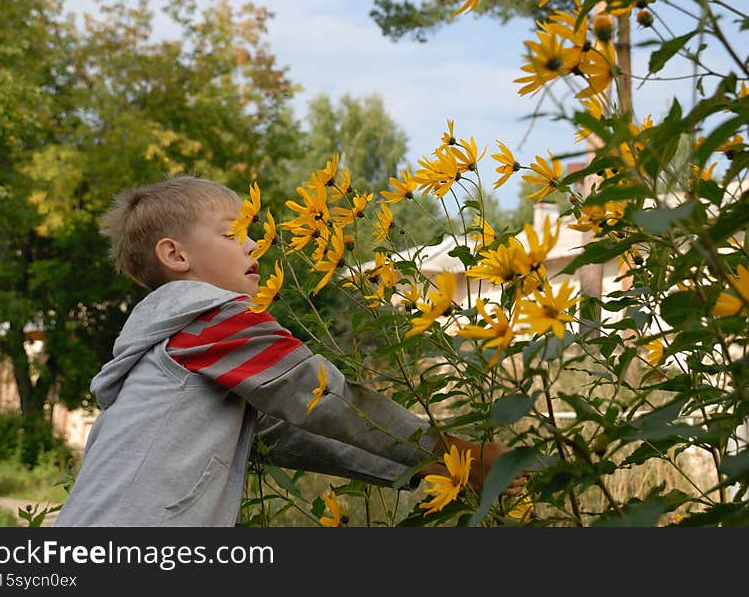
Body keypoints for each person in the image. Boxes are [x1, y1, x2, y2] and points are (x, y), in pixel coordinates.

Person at [55, 175, 524, 526]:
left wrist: (428, 469)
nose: (255, 242)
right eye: (231, 233)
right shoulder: (209, 321)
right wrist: (456, 450)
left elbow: (296, 435)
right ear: (176, 256)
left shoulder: (181, 346)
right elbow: (322, 397)